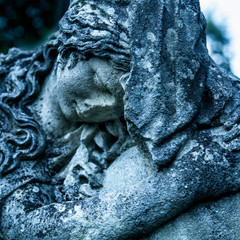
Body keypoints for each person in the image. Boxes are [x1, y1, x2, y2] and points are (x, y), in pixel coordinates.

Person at [0, 0, 240, 239]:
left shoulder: (121, 121)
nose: (97, 107)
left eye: (120, 105)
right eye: (101, 84)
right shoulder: (5, 99)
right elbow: (25, 229)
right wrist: (184, 182)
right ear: (74, 49)